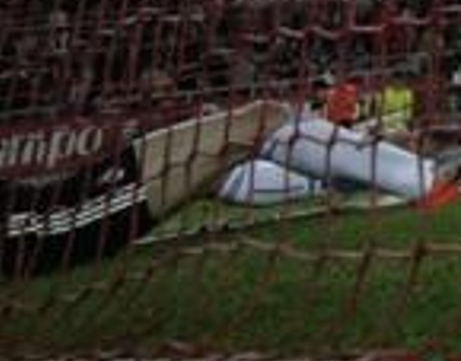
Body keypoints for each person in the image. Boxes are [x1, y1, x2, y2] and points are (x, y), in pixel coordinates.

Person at [1, 101, 288, 278]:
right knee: (255, 123)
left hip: (38, 209)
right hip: (36, 230)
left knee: (254, 125)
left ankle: (311, 174)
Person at [215, 98, 461, 212]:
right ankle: (423, 177)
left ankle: (423, 175)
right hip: (229, 172)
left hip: (237, 175)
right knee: (269, 119)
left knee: (269, 121)